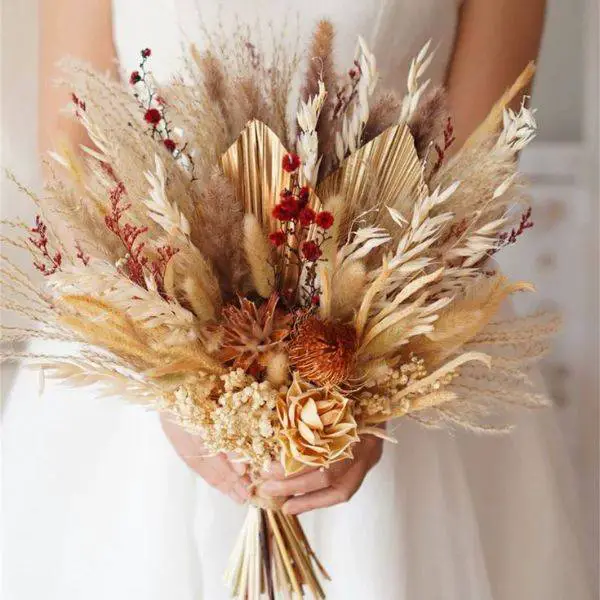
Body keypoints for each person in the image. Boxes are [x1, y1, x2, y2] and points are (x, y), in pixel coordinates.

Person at [3, 0, 591, 598]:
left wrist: (371, 387)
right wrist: (168, 368)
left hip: (394, 334)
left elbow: (475, 163)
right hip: (137, 343)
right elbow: (74, 145)